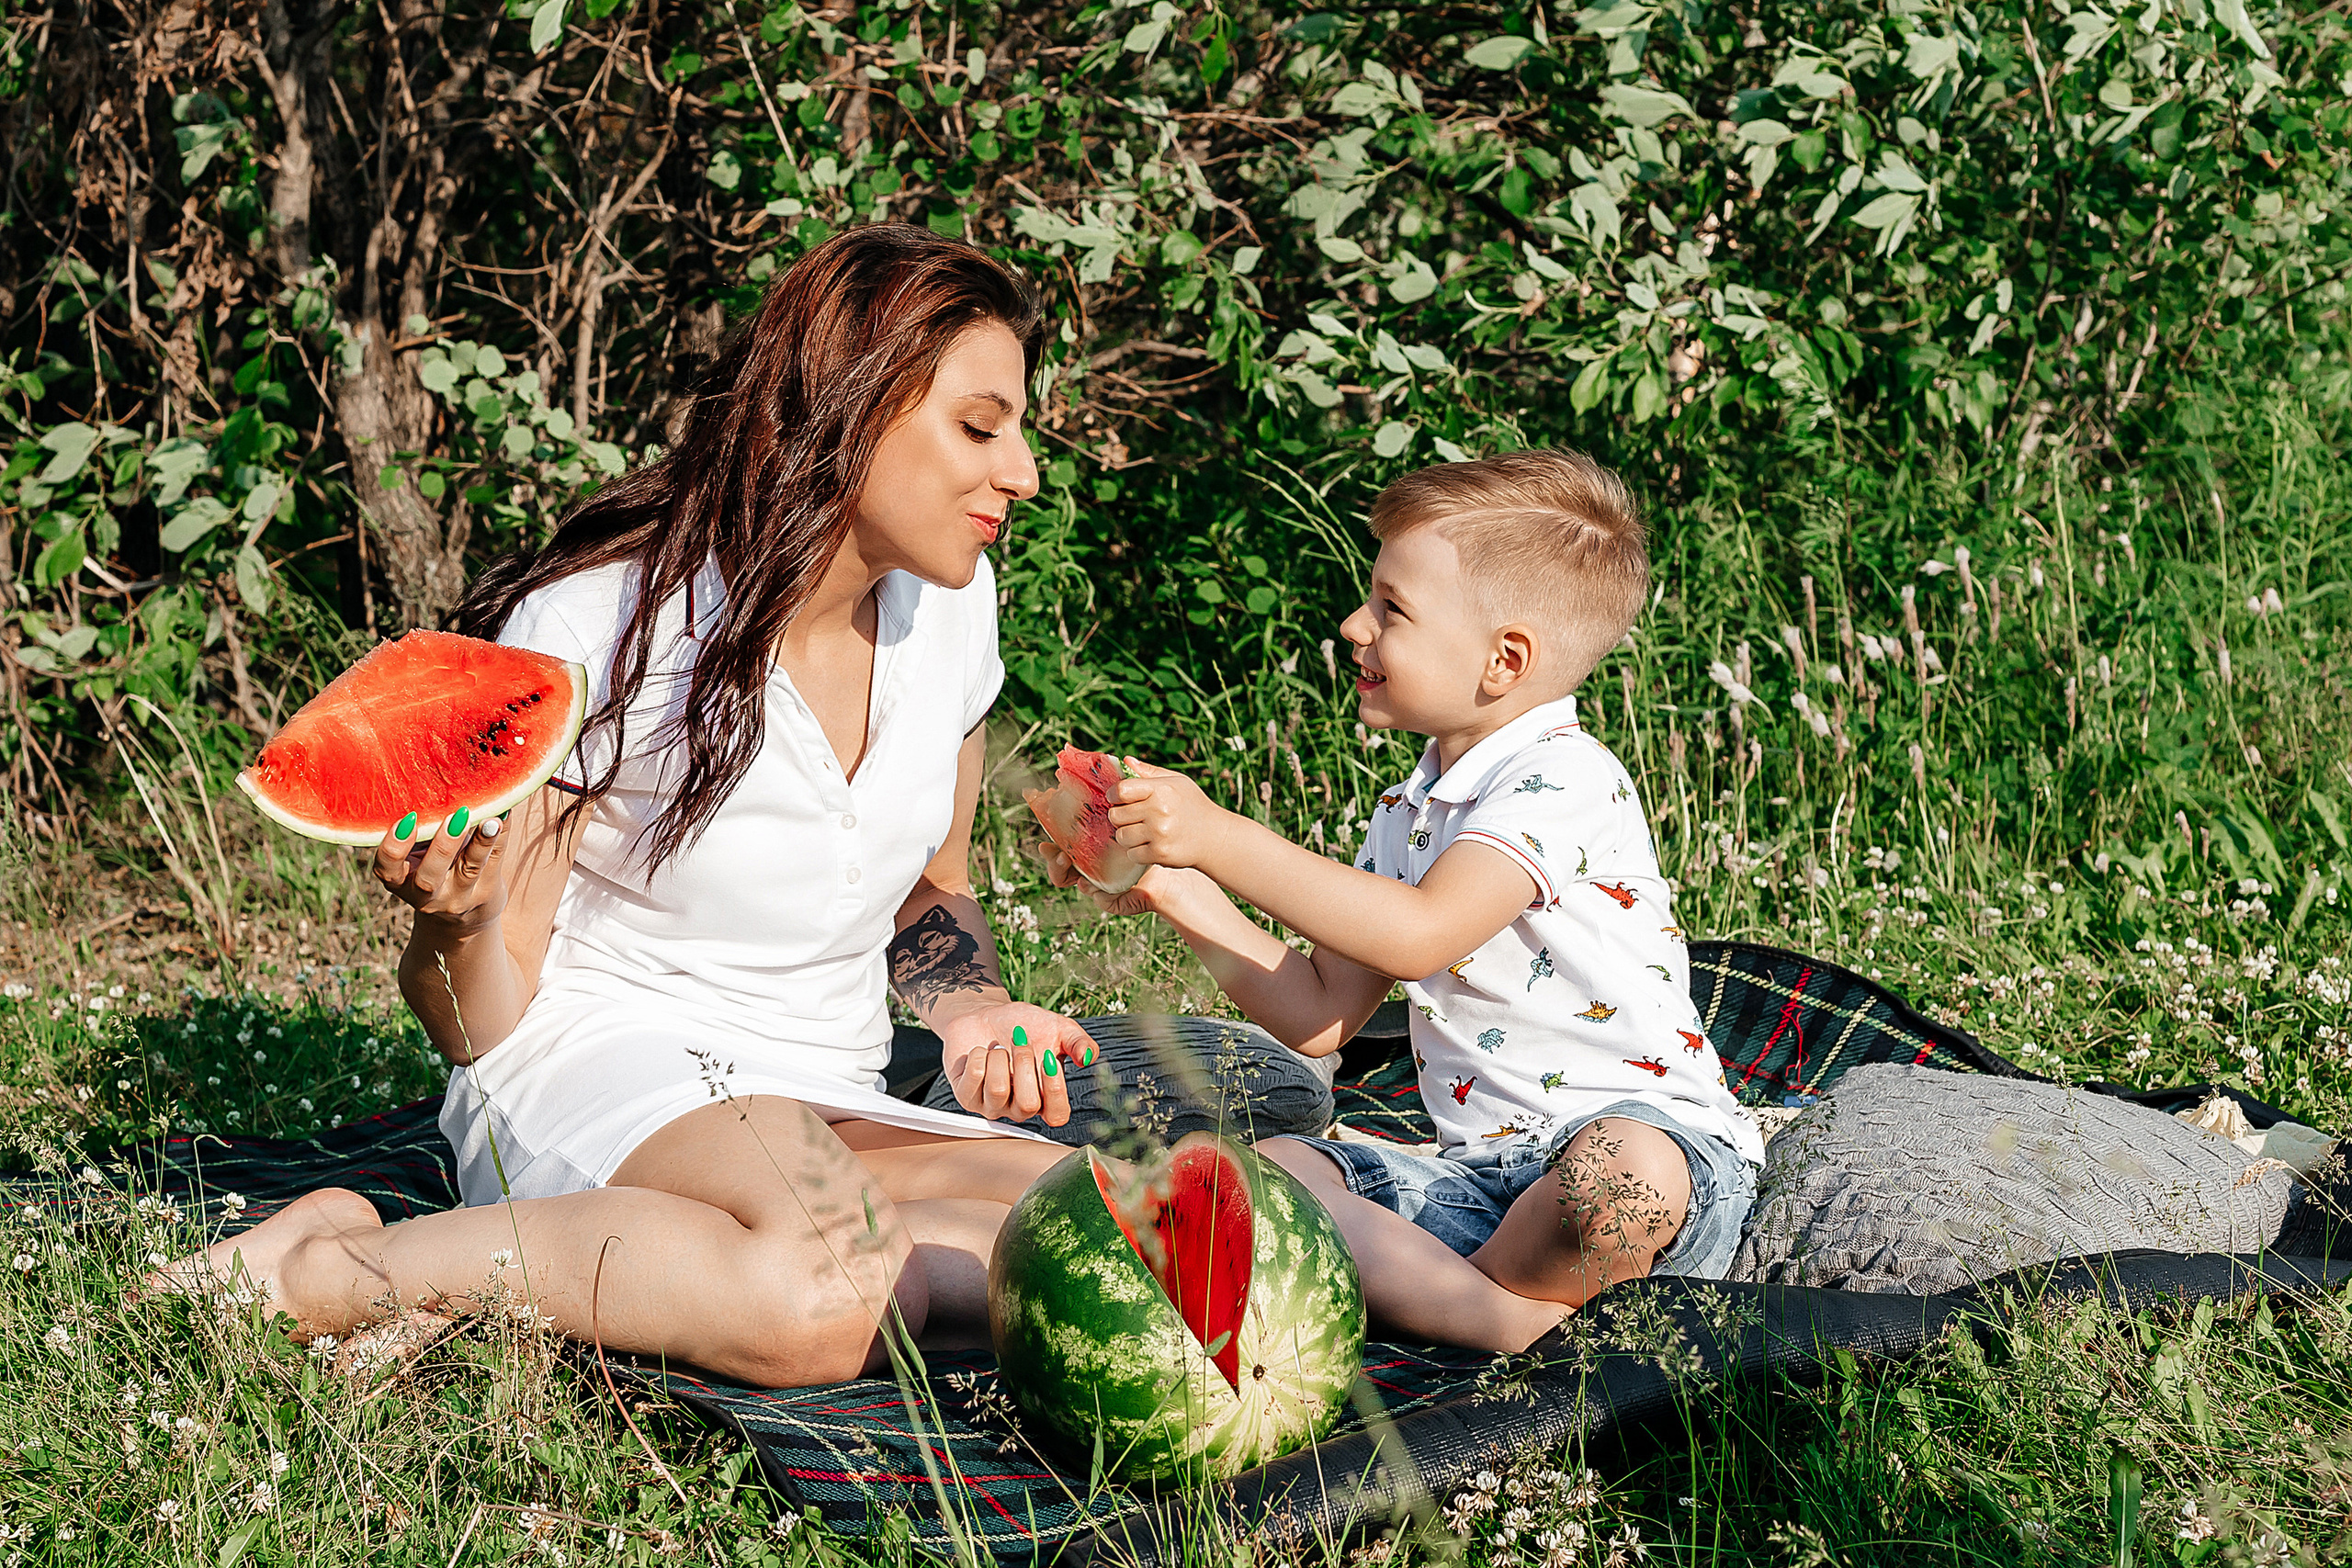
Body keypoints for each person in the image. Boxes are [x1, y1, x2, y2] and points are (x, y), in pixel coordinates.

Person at [157, 225, 1098, 1386]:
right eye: (978, 426)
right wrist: (454, 925)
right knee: (829, 1290)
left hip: (825, 1091)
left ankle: (531, 1283)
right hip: (606, 1062)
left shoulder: (955, 606)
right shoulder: (600, 620)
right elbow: (484, 1029)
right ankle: (330, 1269)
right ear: (851, 403)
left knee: (1104, 1241)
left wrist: (969, 1010)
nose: (1025, 473)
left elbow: (928, 887)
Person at [1054, 451, 1763, 1352]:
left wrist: (1220, 836)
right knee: (1261, 1180)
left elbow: (1421, 935)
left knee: (1620, 1179)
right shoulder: (1406, 813)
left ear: (1504, 660)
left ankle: (1490, 1317)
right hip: (1479, 1180)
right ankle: (1516, 1319)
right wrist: (1175, 888)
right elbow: (1318, 1018)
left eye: (1392, 608)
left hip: (1652, 1157)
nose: (1356, 625)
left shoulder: (1565, 776)